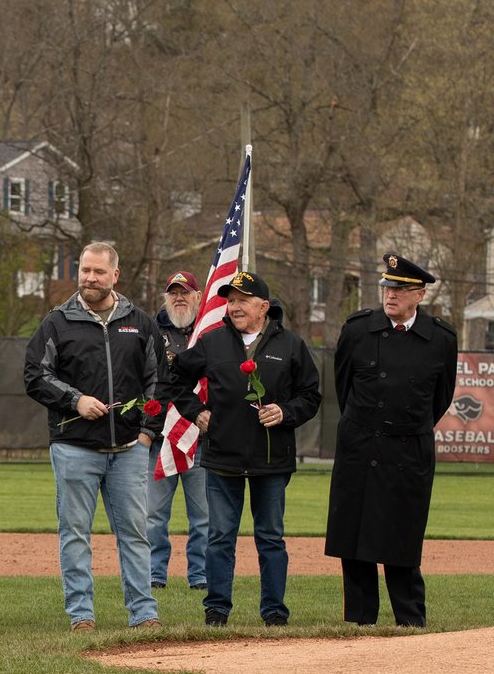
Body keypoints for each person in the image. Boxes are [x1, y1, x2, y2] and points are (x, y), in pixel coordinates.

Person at [24, 241, 165, 630]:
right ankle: (81, 615)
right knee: (75, 535)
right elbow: (35, 376)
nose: (90, 278)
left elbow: (159, 381)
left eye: (99, 272)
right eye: (85, 270)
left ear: (115, 275)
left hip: (129, 449)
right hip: (74, 448)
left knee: (135, 534)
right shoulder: (57, 321)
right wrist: (75, 400)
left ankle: (143, 613)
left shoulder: (139, 321)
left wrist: (148, 434)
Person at [172, 271, 322, 627]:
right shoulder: (212, 342)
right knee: (220, 536)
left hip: (272, 459)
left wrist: (286, 412)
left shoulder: (291, 345)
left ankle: (273, 613)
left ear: (263, 306)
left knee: (270, 537)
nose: (235, 306)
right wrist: (196, 412)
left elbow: (311, 395)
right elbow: (174, 380)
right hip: (223, 457)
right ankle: (217, 610)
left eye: (242, 300)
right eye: (231, 300)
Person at [325, 253, 457, 627]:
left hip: (408, 451)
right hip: (360, 446)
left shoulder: (440, 339)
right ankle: (360, 622)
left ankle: (410, 622)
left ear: (420, 295)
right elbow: (344, 385)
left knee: (402, 541)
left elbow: (440, 398)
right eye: (387, 287)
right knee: (355, 541)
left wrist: (405, 426)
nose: (390, 295)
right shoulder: (357, 330)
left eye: (400, 289)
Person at [147, 270, 209, 592]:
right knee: (154, 515)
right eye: (173, 292)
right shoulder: (152, 332)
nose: (179, 297)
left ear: (199, 297)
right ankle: (155, 573)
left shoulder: (211, 331)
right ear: (165, 297)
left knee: (203, 516)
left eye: (186, 292)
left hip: (201, 438)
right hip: (161, 438)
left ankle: (199, 575)